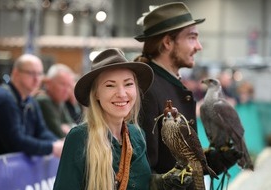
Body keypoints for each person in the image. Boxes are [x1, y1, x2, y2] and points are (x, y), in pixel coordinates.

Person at [134, 2, 242, 188]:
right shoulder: (148, 89)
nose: (199, 46)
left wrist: (207, 161)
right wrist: (159, 184)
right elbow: (143, 168)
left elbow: (172, 156)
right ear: (167, 42)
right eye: (192, 38)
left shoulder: (170, 82)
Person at [53, 48, 193, 190]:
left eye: (128, 84)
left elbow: (139, 182)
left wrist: (161, 183)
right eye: (110, 85)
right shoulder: (80, 137)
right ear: (96, 94)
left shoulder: (137, 135)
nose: (121, 93)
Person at [0, 54, 64, 157]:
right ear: (16, 73)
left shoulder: (30, 101)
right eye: (31, 73)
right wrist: (51, 148)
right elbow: (15, 142)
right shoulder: (4, 99)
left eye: (39, 74)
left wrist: (58, 143)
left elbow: (41, 131)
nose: (36, 79)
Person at [35, 63, 76, 138]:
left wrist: (67, 127)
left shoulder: (60, 101)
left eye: (69, 86)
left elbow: (72, 126)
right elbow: (60, 134)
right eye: (62, 84)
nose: (66, 90)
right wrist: (64, 127)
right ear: (49, 83)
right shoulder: (43, 100)